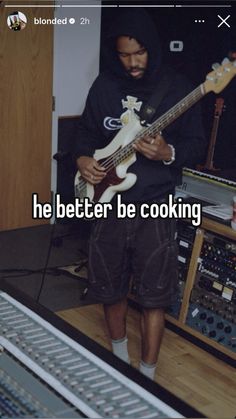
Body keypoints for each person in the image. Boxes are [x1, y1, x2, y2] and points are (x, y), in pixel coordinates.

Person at [74, 9, 206, 379]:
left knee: (154, 296)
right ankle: (118, 364)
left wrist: (168, 153)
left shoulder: (177, 88)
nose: (132, 63)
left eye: (139, 53)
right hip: (108, 204)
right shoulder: (104, 86)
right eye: (124, 55)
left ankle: (146, 377)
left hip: (154, 208)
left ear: (153, 49)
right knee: (109, 288)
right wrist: (83, 158)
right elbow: (84, 133)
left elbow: (196, 143)